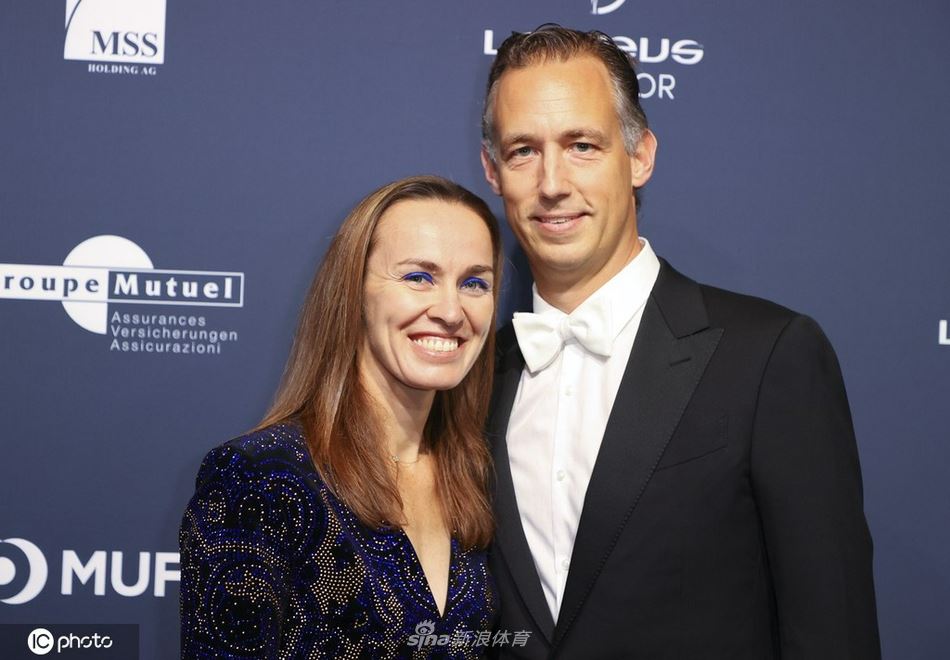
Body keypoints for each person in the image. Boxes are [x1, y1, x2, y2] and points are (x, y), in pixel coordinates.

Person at [479, 26, 880, 659]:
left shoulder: (768, 357)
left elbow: (835, 631)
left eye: (582, 145)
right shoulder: (474, 379)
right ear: (493, 171)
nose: (552, 182)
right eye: (524, 150)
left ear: (640, 156)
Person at [179, 175, 503, 658]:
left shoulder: (473, 476)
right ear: (354, 292)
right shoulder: (261, 478)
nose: (452, 311)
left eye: (474, 283)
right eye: (419, 277)